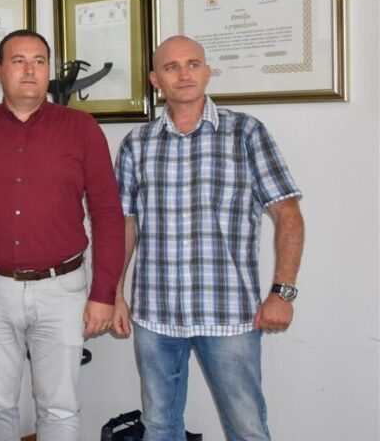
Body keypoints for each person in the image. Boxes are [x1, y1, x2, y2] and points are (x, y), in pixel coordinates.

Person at [113, 35, 304, 441]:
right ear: (155, 80)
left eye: (193, 64)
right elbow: (125, 225)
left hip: (228, 313)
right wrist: (115, 293)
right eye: (171, 67)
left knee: (247, 428)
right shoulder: (136, 144)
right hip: (155, 314)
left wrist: (282, 293)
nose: (184, 74)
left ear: (207, 72)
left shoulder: (246, 133)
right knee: (159, 426)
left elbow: (288, 215)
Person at [0, 30, 124, 441]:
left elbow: (107, 214)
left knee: (60, 408)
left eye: (39, 61)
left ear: (48, 70)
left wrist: (104, 293)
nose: (29, 70)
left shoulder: (81, 128)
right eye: (18, 61)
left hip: (63, 289)